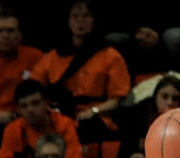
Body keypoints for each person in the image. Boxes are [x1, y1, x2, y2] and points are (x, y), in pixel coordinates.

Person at [30, 2, 130, 133]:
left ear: (94, 20)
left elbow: (116, 101)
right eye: (75, 16)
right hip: (57, 115)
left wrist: (92, 112)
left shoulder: (111, 55)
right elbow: (32, 88)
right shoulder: (53, 56)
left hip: (94, 117)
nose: (80, 21)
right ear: (68, 21)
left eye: (86, 16)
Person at [0, 79, 85, 158]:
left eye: (35, 103)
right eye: (24, 106)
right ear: (18, 110)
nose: (30, 110)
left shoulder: (65, 126)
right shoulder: (12, 130)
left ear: (46, 103)